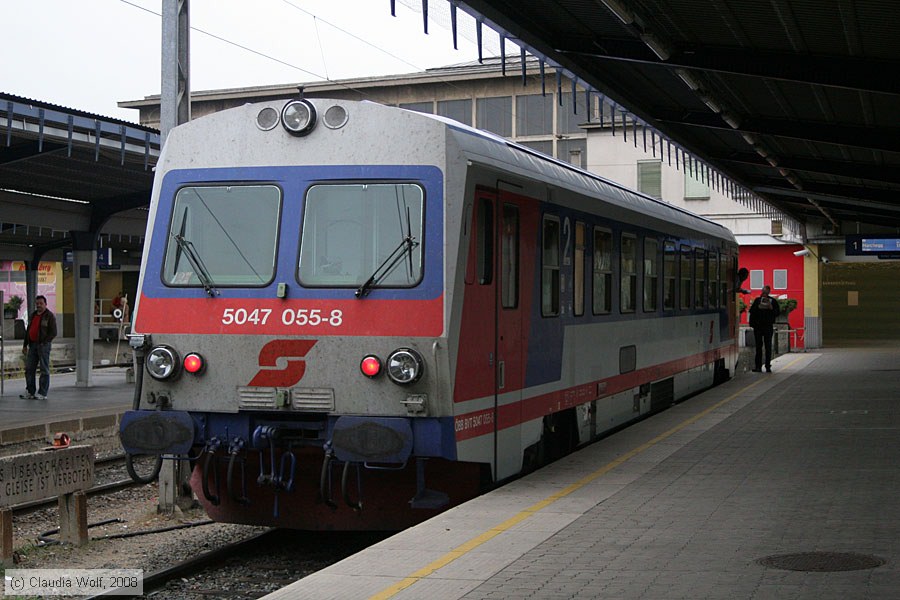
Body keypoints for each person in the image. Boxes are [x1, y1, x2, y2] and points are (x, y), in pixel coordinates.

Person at [20, 295, 57, 400]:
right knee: (29, 368)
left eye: (41, 303)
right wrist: (25, 345)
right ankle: (30, 391)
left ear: (45, 304)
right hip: (32, 345)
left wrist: (44, 342)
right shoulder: (33, 315)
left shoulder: (49, 316)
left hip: (43, 346)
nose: (39, 305)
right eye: (37, 304)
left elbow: (53, 332)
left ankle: (42, 392)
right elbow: (28, 331)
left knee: (44, 369)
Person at [748, 285, 780, 373]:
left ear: (769, 292)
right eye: (763, 292)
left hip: (768, 326)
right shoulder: (757, 300)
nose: (764, 294)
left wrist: (771, 308)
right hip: (758, 326)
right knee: (758, 346)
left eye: (766, 292)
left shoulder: (773, 301)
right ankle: (758, 366)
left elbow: (777, 313)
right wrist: (757, 307)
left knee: (768, 347)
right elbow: (752, 312)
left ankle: (767, 366)